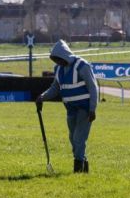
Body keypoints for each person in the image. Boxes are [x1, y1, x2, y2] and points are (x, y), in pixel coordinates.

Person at [36, 39, 99, 173]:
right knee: (73, 138)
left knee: (78, 138)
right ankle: (84, 165)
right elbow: (55, 88)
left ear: (64, 55)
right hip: (71, 110)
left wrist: (93, 109)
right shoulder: (58, 69)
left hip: (85, 109)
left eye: (58, 59)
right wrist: (42, 96)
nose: (57, 62)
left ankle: (77, 169)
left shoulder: (82, 66)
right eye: (55, 60)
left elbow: (93, 87)